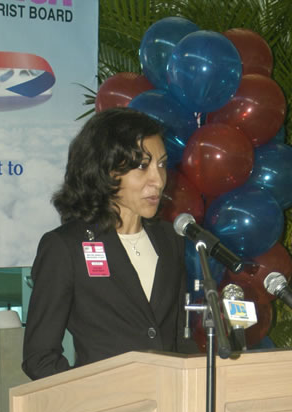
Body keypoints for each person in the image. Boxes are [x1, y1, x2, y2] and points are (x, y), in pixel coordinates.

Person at [22, 108, 188, 380]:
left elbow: (179, 340)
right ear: (106, 171)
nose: (158, 180)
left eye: (161, 164)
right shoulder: (66, 247)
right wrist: (94, 398)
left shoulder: (170, 240)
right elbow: (39, 358)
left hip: (169, 409)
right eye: (142, 166)